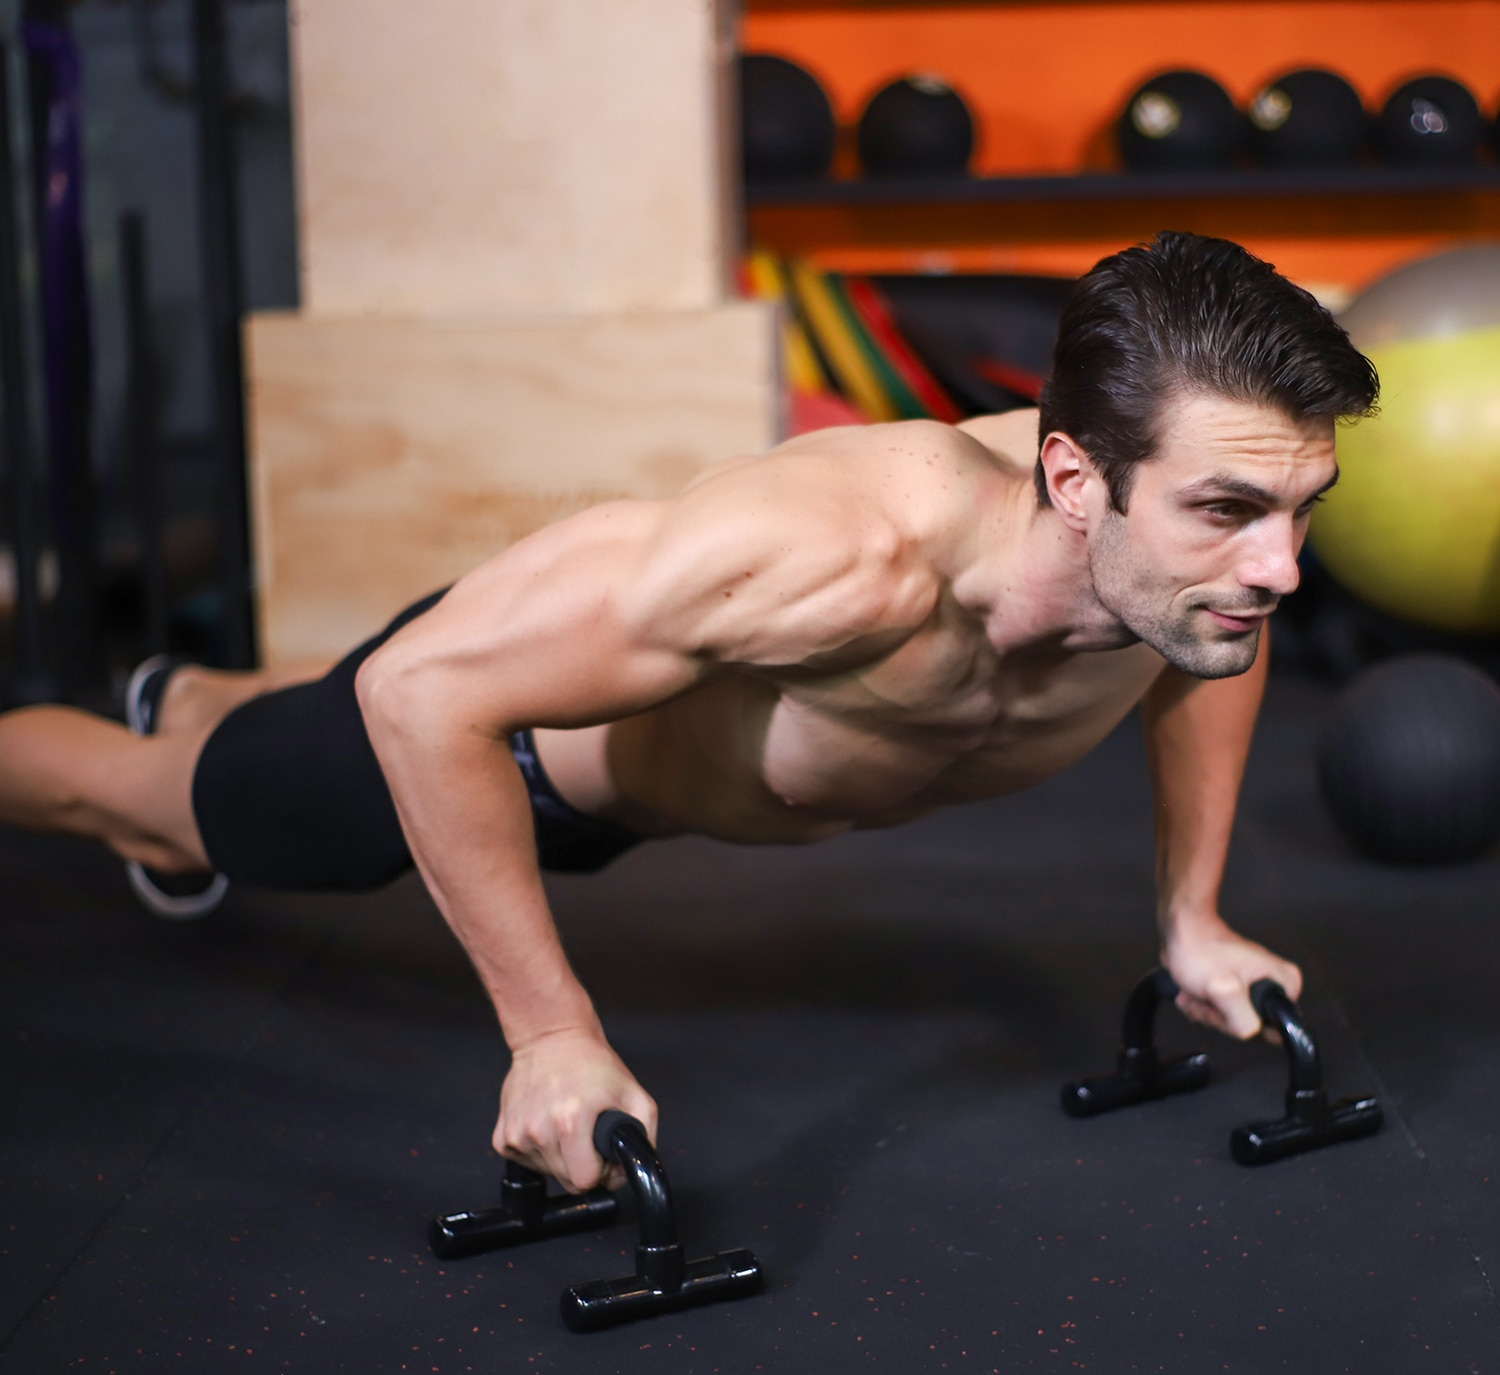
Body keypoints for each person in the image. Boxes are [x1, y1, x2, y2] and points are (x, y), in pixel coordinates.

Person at [0, 232, 1378, 1193]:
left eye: (1298, 512)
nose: (1280, 568)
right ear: (1078, 483)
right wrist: (549, 1038)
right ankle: (160, 743)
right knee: (164, 808)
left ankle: (190, 691)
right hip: (522, 753)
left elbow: (1216, 646)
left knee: (242, 723)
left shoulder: (1186, 573)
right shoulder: (835, 554)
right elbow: (422, 691)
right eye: (1231, 514)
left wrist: (1191, 914)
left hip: (632, 739)